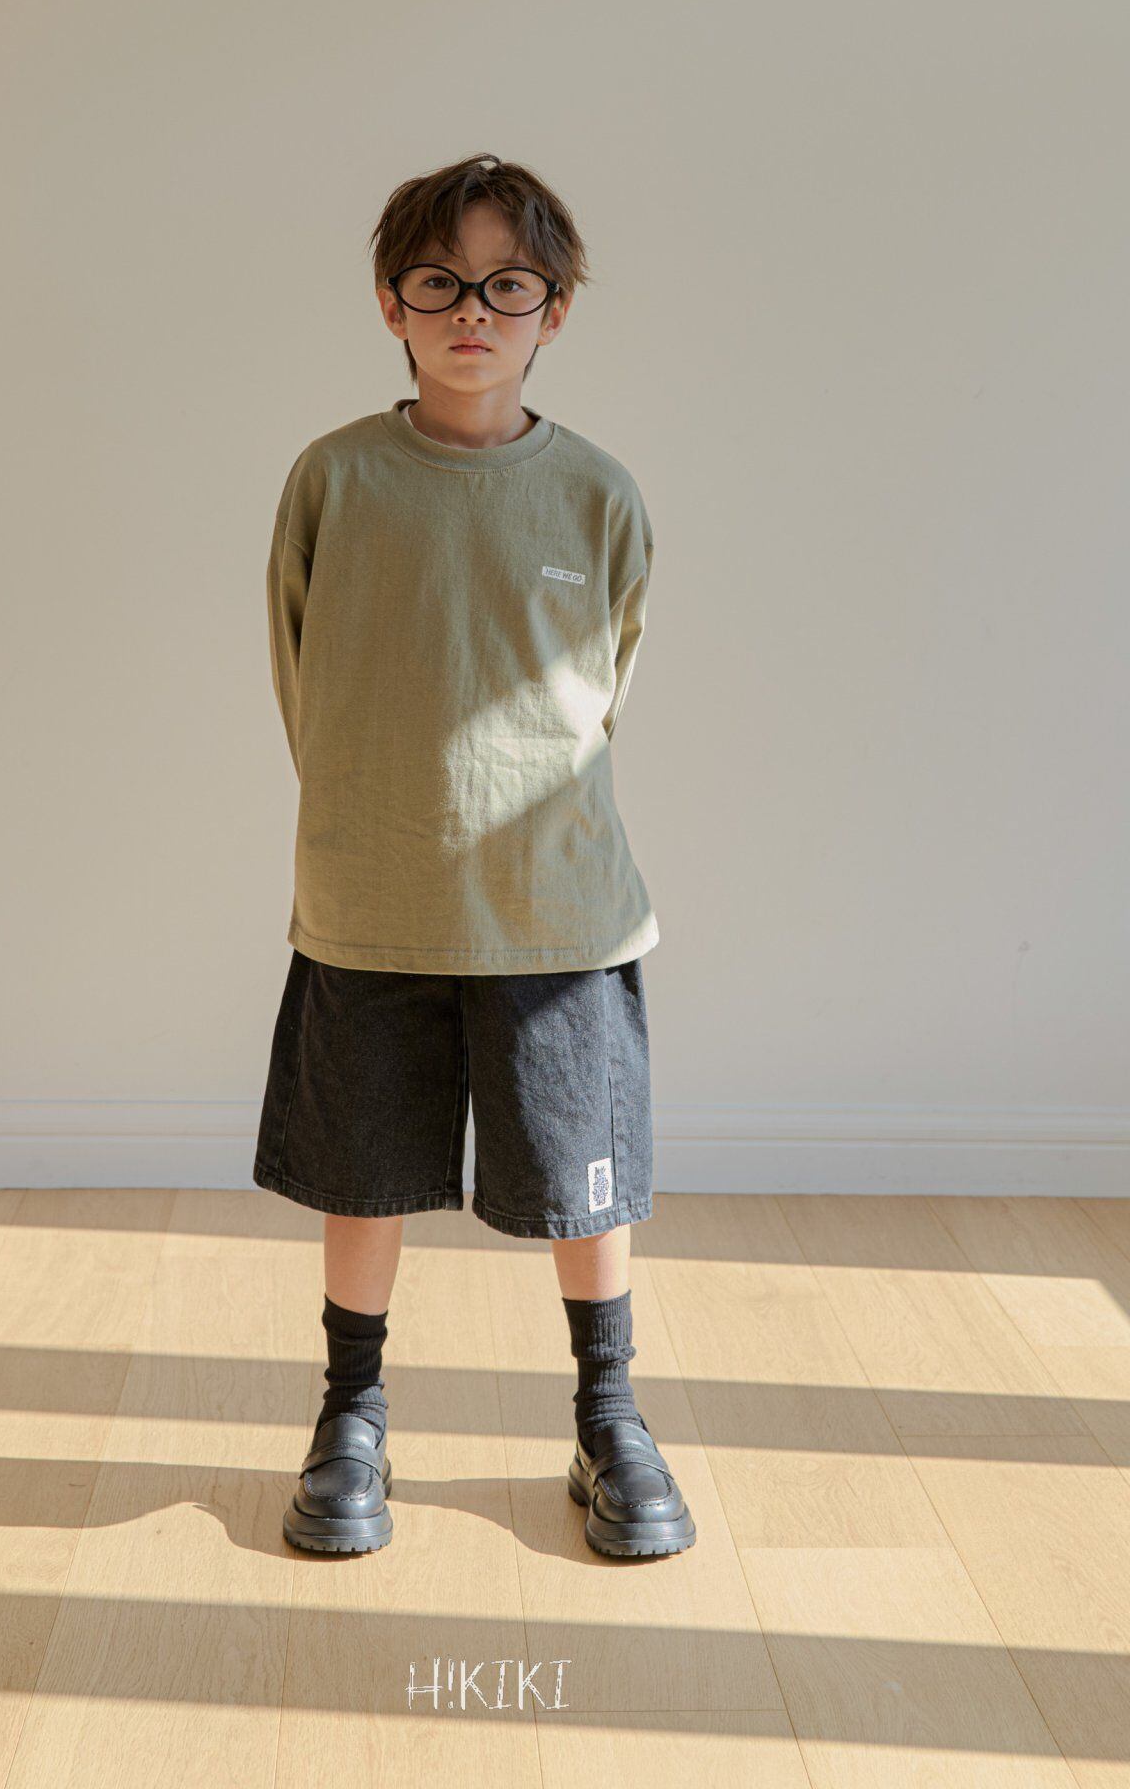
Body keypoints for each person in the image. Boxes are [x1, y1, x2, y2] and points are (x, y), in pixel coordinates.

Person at [254, 151, 694, 1560]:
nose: (472, 312)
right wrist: (373, 812)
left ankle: (608, 1414)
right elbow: (303, 676)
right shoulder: (334, 478)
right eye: (439, 282)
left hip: (557, 911)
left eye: (509, 286)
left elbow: (606, 687)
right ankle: (351, 1414)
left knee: (583, 1175)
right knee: (362, 1168)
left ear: (554, 309)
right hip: (371, 895)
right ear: (391, 301)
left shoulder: (599, 495)